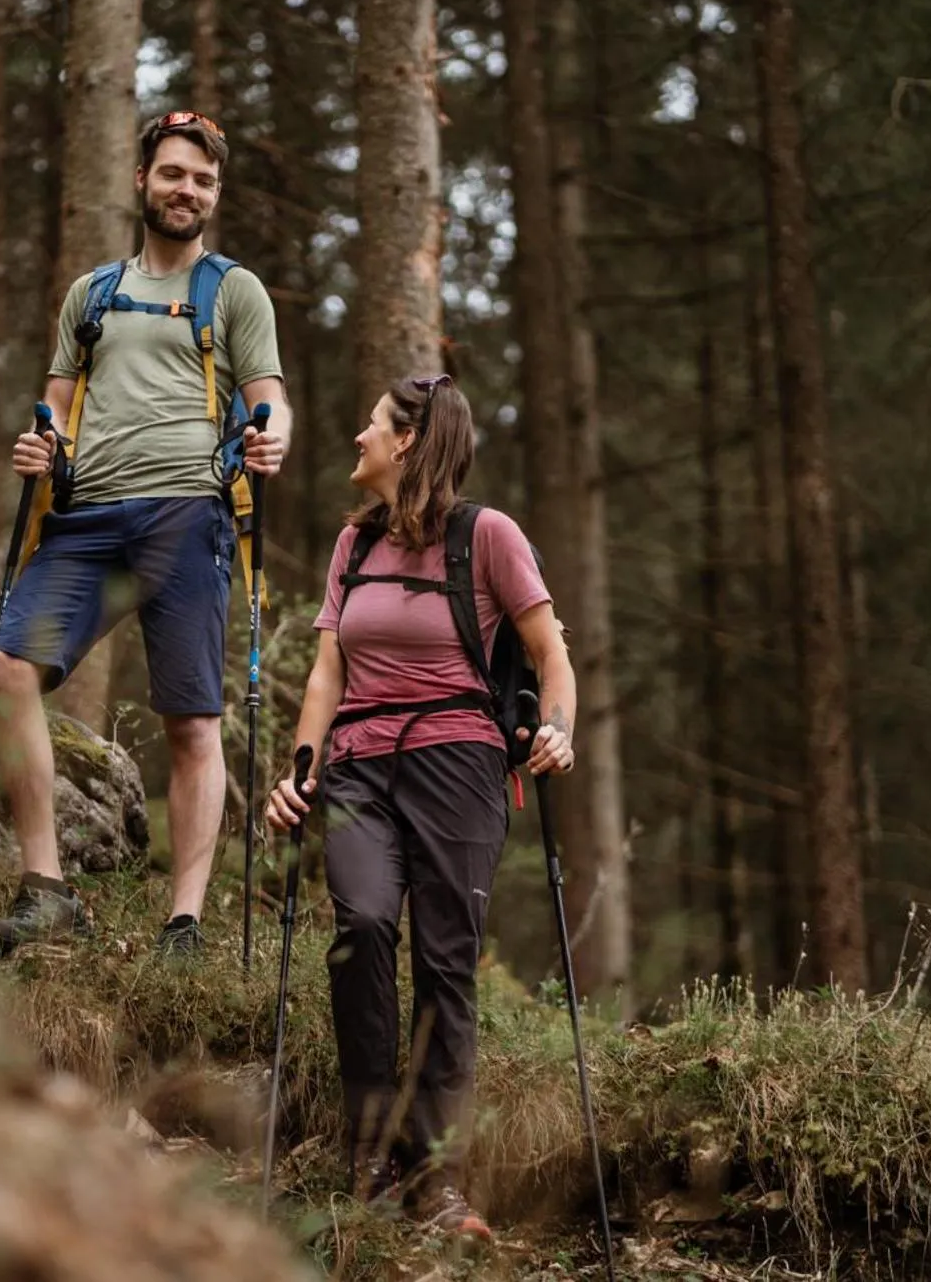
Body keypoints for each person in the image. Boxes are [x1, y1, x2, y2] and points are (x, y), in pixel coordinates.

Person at [263, 374, 576, 1239]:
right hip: (359, 767)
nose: (356, 437)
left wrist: (555, 730)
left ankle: (436, 1184)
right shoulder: (350, 546)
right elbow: (328, 673)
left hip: (458, 765)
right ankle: (368, 1162)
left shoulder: (487, 537)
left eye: (370, 425)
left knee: (445, 963)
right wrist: (299, 771)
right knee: (361, 925)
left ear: (407, 441)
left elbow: (551, 655)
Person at [0, 111, 292, 959]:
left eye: (201, 179)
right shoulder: (91, 294)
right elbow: (56, 405)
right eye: (172, 174)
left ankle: (183, 922)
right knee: (8, 668)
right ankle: (45, 888)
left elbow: (269, 397)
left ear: (214, 194)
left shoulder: (232, 290)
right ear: (142, 181)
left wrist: (271, 435)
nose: (185, 188)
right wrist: (37, 440)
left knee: (191, 721)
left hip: (187, 514)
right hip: (84, 518)